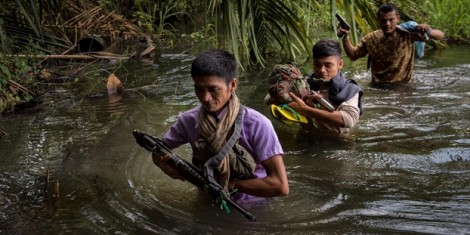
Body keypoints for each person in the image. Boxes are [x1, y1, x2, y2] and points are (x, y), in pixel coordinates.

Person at [152, 49, 289, 199]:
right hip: (206, 199)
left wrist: (230, 185)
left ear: (233, 85)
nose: (205, 98)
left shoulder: (257, 124)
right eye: (199, 89)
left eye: (213, 89)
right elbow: (158, 150)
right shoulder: (188, 120)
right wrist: (166, 166)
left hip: (252, 206)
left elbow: (280, 186)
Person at [340, 3, 445, 84]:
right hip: (378, 87)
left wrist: (427, 30)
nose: (387, 24)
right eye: (383, 20)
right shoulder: (371, 38)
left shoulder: (407, 34)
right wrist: (346, 37)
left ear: (398, 19)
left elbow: (440, 36)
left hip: (404, 86)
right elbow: (353, 55)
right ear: (378, 20)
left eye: (391, 20)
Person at [287, 39, 363, 135]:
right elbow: (269, 100)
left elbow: (348, 120)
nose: (322, 70)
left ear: (340, 64)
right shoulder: (304, 84)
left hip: (338, 142)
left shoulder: (349, 89)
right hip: (306, 139)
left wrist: (306, 109)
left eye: (328, 65)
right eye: (317, 65)